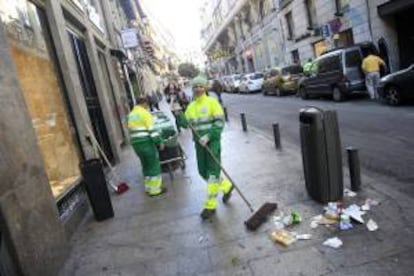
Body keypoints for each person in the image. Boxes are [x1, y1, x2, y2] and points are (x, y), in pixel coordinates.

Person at [180, 75, 233, 220]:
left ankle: (210, 206)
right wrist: (178, 113)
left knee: (211, 175)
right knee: (202, 171)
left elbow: (219, 122)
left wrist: (209, 136)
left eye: (200, 86)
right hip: (199, 145)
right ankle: (227, 186)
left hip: (212, 143)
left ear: (205, 88)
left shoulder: (212, 102)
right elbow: (185, 124)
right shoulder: (191, 106)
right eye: (195, 86)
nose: (198, 89)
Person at [128, 97, 166, 196]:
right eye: (148, 105)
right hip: (146, 143)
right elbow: (152, 131)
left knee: (145, 165)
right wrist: (159, 142)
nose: (148, 107)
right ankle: (155, 190)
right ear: (144, 103)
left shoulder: (131, 114)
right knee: (153, 165)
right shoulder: (145, 114)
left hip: (136, 145)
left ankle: (148, 187)